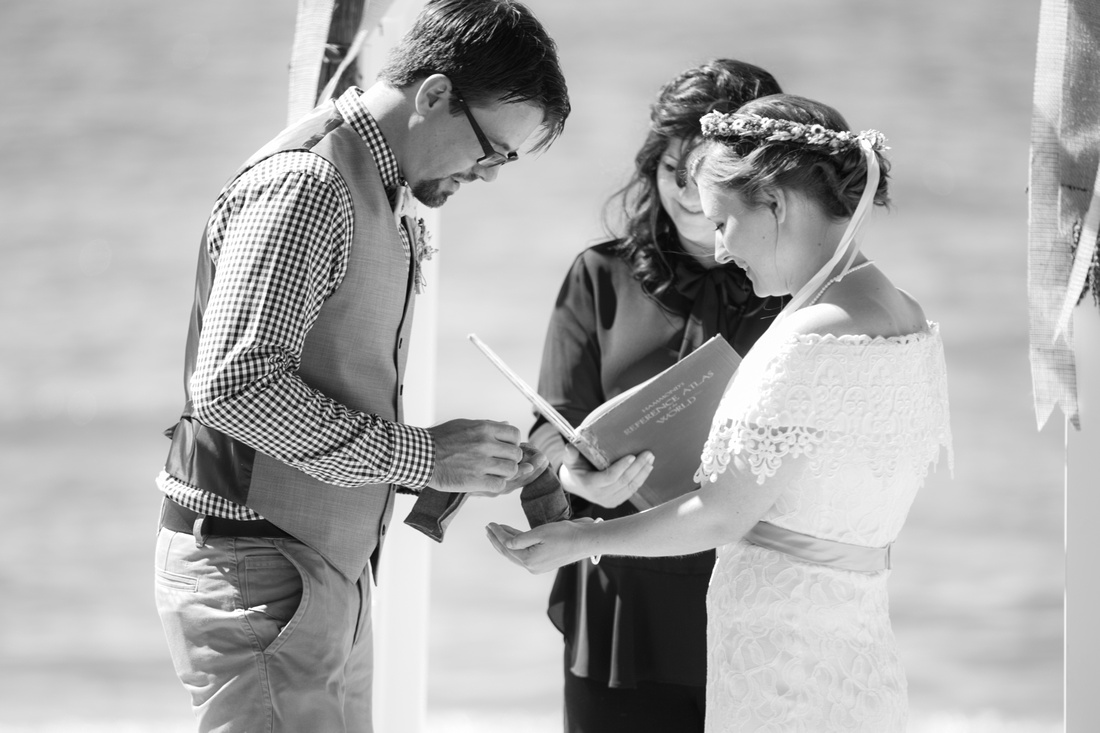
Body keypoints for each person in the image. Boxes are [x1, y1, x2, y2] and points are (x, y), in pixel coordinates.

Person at [152, 2, 569, 731]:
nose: (491, 175)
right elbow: (233, 385)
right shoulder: (312, 185)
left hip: (308, 574)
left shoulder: (373, 181)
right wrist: (425, 454)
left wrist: (452, 463)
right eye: (493, 150)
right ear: (435, 94)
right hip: (262, 570)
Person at [489, 93, 953, 732]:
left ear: (777, 203)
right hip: (854, 642)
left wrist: (581, 537)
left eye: (725, 223)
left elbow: (725, 512)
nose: (724, 249)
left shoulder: (803, 340)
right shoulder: (910, 322)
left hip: (775, 653)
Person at [524, 60, 785, 732]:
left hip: (756, 600)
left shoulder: (797, 294)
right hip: (624, 605)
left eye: (710, 177)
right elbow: (550, 427)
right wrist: (578, 474)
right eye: (676, 174)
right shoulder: (600, 274)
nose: (692, 198)